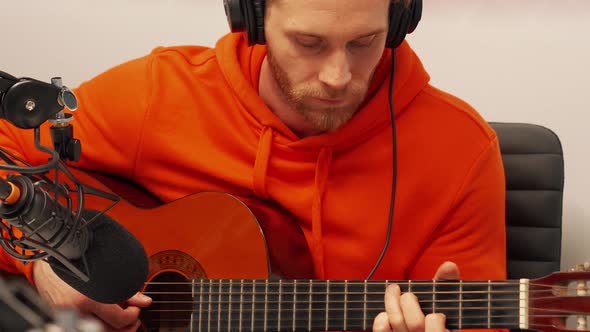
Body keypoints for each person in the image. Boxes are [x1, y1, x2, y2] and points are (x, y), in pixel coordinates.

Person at [0, 0, 506, 331]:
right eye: (309, 43)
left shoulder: (460, 150)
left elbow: (483, 318)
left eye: (363, 43)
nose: (337, 76)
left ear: (397, 23)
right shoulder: (163, 94)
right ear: (254, 17)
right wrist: (46, 264)